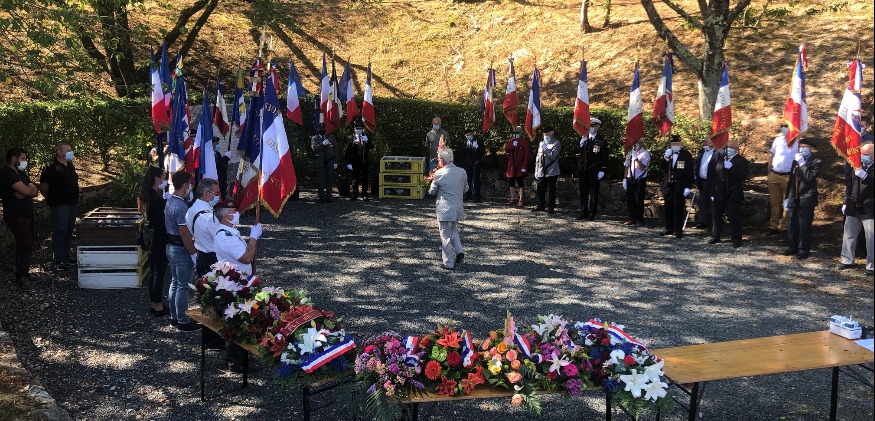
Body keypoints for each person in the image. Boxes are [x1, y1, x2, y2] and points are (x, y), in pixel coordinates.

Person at [213, 199, 262, 372]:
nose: (237, 213)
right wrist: (253, 238)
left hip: (241, 283)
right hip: (235, 286)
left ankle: (241, 356)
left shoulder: (230, 232)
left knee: (243, 320)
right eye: (234, 211)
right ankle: (236, 361)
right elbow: (246, 258)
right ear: (226, 217)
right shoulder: (224, 236)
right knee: (237, 322)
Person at [163, 171, 200, 332]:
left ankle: (174, 318)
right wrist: (193, 253)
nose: (191, 187)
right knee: (182, 286)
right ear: (185, 185)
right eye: (189, 184)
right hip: (181, 248)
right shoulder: (181, 206)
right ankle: (183, 321)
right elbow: (184, 233)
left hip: (171, 246)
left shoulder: (170, 201)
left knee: (175, 283)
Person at [1, 148, 39, 290]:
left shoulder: (20, 173)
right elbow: (29, 190)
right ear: (13, 159)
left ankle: (24, 273)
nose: (25, 161)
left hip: (27, 214)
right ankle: (22, 277)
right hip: (16, 216)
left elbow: (34, 191)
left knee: (26, 244)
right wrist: (28, 190)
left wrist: (28, 191)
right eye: (22, 158)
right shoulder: (6, 173)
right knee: (25, 244)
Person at [38, 143, 79, 271]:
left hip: (72, 202)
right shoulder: (50, 167)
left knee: (69, 230)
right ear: (59, 152)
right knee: (60, 230)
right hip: (59, 204)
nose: (71, 152)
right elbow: (43, 186)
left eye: (71, 149)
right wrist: (51, 198)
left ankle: (66, 256)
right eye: (68, 150)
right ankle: (58, 260)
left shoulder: (70, 166)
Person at [427, 148, 468, 270]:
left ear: (442, 161)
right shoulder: (462, 172)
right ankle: (459, 251)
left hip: (445, 208)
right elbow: (466, 189)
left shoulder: (440, 173)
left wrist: (431, 185)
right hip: (458, 207)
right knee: (453, 228)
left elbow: (432, 191)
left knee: (445, 235)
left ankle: (448, 262)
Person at [837, 142, 873, 275]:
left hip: (870, 208)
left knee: (871, 238)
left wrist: (866, 177)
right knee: (849, 234)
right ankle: (847, 260)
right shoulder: (857, 165)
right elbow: (849, 185)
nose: (863, 156)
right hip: (854, 205)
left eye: (866, 154)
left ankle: (871, 265)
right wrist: (846, 202)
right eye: (861, 153)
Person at [137, 166, 169, 316]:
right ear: (156, 179)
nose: (164, 181)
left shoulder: (146, 195)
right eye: (163, 178)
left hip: (148, 236)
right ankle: (158, 305)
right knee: (158, 273)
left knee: (153, 271)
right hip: (157, 238)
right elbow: (162, 221)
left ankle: (154, 302)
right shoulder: (156, 199)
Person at [783, 138, 821, 259]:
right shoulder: (796, 161)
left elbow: (810, 177)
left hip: (807, 196)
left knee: (804, 225)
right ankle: (792, 246)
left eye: (805, 147)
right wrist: (787, 197)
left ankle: (803, 249)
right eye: (800, 146)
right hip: (794, 196)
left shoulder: (816, 161)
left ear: (811, 149)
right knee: (792, 223)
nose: (802, 149)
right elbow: (791, 180)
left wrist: (803, 164)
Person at [708, 141, 749, 247]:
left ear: (737, 149)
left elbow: (743, 176)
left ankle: (736, 238)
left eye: (732, 148)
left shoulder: (742, 161)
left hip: (733, 193)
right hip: (719, 192)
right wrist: (712, 192)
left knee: (734, 216)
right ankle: (715, 236)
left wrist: (732, 168)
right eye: (728, 147)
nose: (729, 150)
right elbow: (715, 176)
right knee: (716, 215)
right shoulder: (721, 159)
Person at [659, 135, 694, 238]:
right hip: (668, 185)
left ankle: (678, 229)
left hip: (679, 184)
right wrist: (665, 158)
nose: (675, 145)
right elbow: (661, 167)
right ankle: (668, 228)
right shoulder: (668, 154)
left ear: (681, 144)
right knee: (668, 207)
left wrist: (688, 186)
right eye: (673, 144)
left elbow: (689, 171)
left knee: (678, 207)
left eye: (677, 143)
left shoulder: (686, 155)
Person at [768, 123, 798, 234]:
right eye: (782, 126)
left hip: (789, 177)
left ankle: (785, 226)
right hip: (774, 175)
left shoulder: (799, 141)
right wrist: (769, 173)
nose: (784, 128)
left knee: (787, 203)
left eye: (786, 125)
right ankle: (773, 226)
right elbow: (772, 156)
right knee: (774, 203)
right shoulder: (778, 140)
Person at [186, 178, 220, 277]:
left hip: (200, 253)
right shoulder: (208, 217)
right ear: (205, 193)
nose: (217, 196)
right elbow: (220, 238)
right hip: (212, 257)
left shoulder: (191, 209)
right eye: (215, 193)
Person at [576, 118, 608, 220]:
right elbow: (577, 151)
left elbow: (604, 156)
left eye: (593, 126)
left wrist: (602, 169)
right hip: (583, 169)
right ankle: (583, 211)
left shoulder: (602, 140)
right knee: (583, 191)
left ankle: (592, 212)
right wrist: (581, 142)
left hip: (594, 170)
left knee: (593, 192)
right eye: (589, 126)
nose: (590, 128)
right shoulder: (584, 138)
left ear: (597, 127)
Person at [532, 126, 561, 214]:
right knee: (540, 189)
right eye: (544, 134)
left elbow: (553, 156)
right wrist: (536, 170)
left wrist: (546, 149)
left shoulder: (556, 143)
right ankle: (541, 205)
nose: (545, 136)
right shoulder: (542, 143)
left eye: (547, 134)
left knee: (551, 190)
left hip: (552, 170)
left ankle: (551, 207)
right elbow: (538, 157)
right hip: (541, 170)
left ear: (551, 133)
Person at [623, 140, 650, 227]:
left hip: (640, 178)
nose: (636, 144)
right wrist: (624, 179)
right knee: (630, 199)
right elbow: (626, 166)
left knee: (639, 199)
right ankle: (632, 218)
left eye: (638, 143)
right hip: (630, 177)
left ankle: (639, 219)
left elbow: (641, 167)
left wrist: (636, 158)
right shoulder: (631, 153)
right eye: (635, 143)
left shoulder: (645, 153)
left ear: (642, 143)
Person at [344, 121, 374, 200]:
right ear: (354, 129)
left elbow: (371, 147)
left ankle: (364, 194)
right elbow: (347, 151)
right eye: (357, 128)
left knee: (365, 178)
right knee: (355, 178)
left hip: (364, 161)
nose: (358, 130)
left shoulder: (366, 136)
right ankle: (354, 194)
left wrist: (367, 141)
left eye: (360, 128)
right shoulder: (351, 138)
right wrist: (348, 163)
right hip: (355, 162)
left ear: (362, 129)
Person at [694, 138, 718, 230]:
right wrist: (696, 176)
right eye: (704, 141)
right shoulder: (701, 152)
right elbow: (697, 164)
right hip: (702, 180)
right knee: (702, 202)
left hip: (712, 181)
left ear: (712, 142)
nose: (704, 143)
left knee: (713, 202)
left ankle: (714, 223)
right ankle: (703, 221)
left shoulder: (717, 153)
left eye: (706, 142)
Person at [311, 123, 338, 203]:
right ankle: (321, 196)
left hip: (330, 161)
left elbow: (336, 150)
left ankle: (329, 196)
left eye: (323, 129)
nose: (322, 131)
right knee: (320, 180)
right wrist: (322, 144)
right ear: (317, 130)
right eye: (320, 129)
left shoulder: (331, 137)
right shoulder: (314, 138)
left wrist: (336, 162)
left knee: (330, 179)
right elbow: (314, 148)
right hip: (320, 162)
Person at [504, 125, 530, 207]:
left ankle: (520, 199)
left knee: (520, 183)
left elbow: (526, 155)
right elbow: (506, 150)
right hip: (511, 165)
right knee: (511, 182)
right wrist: (512, 146)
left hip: (520, 165)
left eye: (517, 132)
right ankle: (512, 198)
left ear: (521, 133)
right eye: (514, 132)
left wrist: (524, 166)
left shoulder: (524, 142)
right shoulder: (511, 141)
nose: (515, 134)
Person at [460, 128, 486, 201]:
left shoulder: (478, 141)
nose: (469, 136)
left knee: (476, 180)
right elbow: (462, 154)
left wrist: (477, 148)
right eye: (467, 135)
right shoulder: (464, 142)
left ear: (473, 134)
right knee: (468, 180)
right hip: (467, 164)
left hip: (476, 163)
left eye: (470, 134)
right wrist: (462, 164)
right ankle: (468, 195)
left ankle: (477, 195)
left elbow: (483, 152)